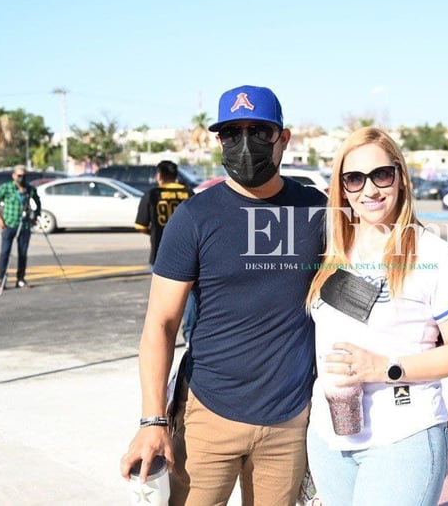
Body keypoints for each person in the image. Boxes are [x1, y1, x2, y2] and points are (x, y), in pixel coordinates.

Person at [119, 84, 327, 505]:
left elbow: (371, 275)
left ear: (283, 139)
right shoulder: (194, 217)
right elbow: (160, 324)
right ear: (219, 141)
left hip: (289, 420)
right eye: (232, 133)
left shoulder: (318, 211)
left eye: (259, 131)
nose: (245, 144)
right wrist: (152, 420)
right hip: (207, 416)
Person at [305, 127, 448, 506]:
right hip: (328, 435)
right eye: (354, 178)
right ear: (342, 188)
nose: (369, 190)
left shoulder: (433, 255)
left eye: (381, 175)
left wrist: (384, 367)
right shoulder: (333, 250)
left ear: (401, 177)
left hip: (404, 434)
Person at [134, 160, 197, 345]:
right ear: (176, 175)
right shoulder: (187, 193)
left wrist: (154, 231)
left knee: (162, 304)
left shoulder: (153, 194)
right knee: (191, 298)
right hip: (190, 252)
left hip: (160, 253)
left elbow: (140, 225)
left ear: (159, 175)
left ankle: (161, 340)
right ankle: (189, 336)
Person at [0, 164, 41, 290]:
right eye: (19, 176)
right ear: (14, 176)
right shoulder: (6, 188)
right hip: (9, 224)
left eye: (24, 176)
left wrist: (35, 215)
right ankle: (2, 279)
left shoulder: (29, 189)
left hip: (24, 225)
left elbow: (37, 201)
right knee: (5, 253)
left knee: (22, 253)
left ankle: (21, 279)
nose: (21, 179)